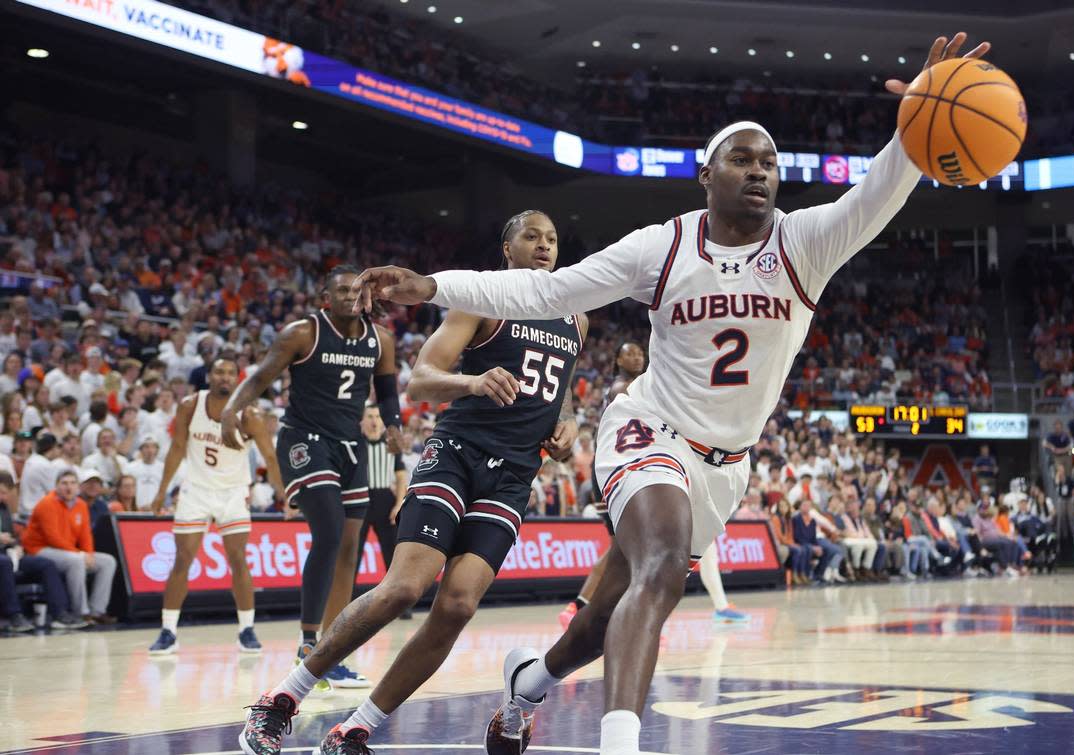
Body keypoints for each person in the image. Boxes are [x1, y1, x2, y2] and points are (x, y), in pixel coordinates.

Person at [348, 34, 986, 755]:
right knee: (661, 568)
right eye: (742, 159)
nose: (759, 171)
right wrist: (433, 286)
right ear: (704, 172)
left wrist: (918, 124)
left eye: (769, 162)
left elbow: (879, 193)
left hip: (725, 465)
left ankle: (529, 681)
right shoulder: (663, 245)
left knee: (600, 620)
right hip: (649, 431)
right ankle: (621, 744)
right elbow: (548, 290)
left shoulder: (808, 242)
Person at [238, 210, 586, 754]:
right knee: (403, 587)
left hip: (515, 475)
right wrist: (472, 381)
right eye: (531, 237)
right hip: (457, 455)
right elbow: (422, 379)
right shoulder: (481, 301)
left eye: (552, 239)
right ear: (507, 250)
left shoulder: (576, 319)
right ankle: (281, 698)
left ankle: (355, 728)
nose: (544, 246)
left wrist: (567, 424)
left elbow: (560, 388)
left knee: (458, 606)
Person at [222, 265, 401, 692]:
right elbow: (263, 376)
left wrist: (393, 424)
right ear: (325, 297)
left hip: (350, 444)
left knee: (350, 545)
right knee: (330, 530)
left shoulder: (382, 340)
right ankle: (307, 643)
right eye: (340, 290)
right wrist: (232, 408)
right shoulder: (302, 333)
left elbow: (388, 391)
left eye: (356, 290)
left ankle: (332, 650)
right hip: (304, 440)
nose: (350, 296)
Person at [147, 358, 284, 655]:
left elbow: (270, 458)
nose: (224, 377)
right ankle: (168, 631)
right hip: (195, 490)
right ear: (208, 376)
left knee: (238, 560)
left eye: (230, 373)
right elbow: (177, 448)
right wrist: (161, 491)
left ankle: (246, 629)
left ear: (238, 379)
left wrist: (283, 494)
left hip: (233, 492)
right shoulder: (189, 405)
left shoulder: (250, 415)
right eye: (219, 372)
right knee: (182, 559)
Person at [559, 341, 644, 630]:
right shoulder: (623, 387)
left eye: (639, 352)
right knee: (625, 548)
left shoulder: (640, 385)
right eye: (629, 352)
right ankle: (586, 610)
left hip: (624, 468)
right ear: (618, 359)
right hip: (612, 470)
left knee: (625, 549)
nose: (636, 356)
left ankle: (583, 608)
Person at [21, 469, 118, 623]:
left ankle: (97, 611)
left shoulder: (81, 505)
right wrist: (80, 555)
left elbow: (85, 534)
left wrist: (89, 554)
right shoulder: (47, 503)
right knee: (76, 561)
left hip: (66, 550)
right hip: (39, 549)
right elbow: (52, 538)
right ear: (56, 486)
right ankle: (81, 611)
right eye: (64, 483)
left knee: (108, 561)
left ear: (78, 487)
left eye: (73, 483)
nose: (69, 487)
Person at [0, 472, 87, 631]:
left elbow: (12, 535)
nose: (4, 497)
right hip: (3, 559)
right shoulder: (47, 504)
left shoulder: (3, 508)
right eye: (1, 492)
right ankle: (14, 616)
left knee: (45, 564)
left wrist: (17, 545)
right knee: (4, 563)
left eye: (6, 493)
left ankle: (60, 614)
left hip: (9, 554)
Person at [355, 403, 410, 619]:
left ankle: (400, 605)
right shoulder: (357, 444)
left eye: (377, 416)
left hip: (385, 501)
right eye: (369, 416)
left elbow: (400, 477)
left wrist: (398, 504)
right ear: (362, 420)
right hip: (360, 499)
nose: (374, 420)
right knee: (352, 555)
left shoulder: (390, 445)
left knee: (393, 555)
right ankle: (344, 601)